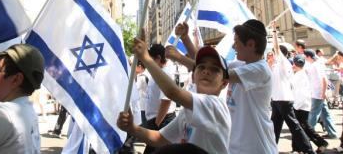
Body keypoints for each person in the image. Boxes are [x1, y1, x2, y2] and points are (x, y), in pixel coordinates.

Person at [117, 41, 231, 153]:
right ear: (193, 75)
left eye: (214, 69)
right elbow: (159, 138)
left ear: (224, 83)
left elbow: (172, 92)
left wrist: (146, 58)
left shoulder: (216, 105)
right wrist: (132, 128)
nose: (206, 71)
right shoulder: (187, 111)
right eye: (201, 67)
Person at [227, 20, 277, 154]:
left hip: (257, 148)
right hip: (237, 147)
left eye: (236, 41)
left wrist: (179, 57)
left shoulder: (260, 69)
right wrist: (186, 39)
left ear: (250, 44)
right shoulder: (240, 65)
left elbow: (215, 74)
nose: (233, 46)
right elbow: (206, 64)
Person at [269, 23, 314, 154]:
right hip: (276, 100)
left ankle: (309, 150)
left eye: (273, 52)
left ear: (280, 54)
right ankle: (271, 149)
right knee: (274, 127)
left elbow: (277, 48)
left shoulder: (283, 62)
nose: (271, 54)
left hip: (284, 100)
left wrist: (274, 32)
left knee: (295, 127)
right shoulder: (276, 65)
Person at [142, 43, 176, 154]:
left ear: (158, 58)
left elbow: (166, 100)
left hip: (162, 120)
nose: (148, 63)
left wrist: (156, 124)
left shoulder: (165, 73)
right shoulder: (157, 71)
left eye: (150, 59)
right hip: (156, 120)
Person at [292, 54, 328, 153]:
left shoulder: (301, 75)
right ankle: (297, 148)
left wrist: (296, 105)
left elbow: (301, 93)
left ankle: (321, 143)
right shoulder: (300, 74)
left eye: (295, 64)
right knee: (299, 127)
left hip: (300, 105)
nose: (294, 66)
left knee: (302, 127)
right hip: (300, 104)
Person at [305, 49, 338, 138]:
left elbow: (324, 79)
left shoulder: (316, 65)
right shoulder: (314, 65)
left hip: (318, 93)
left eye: (305, 57)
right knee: (325, 114)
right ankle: (332, 133)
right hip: (317, 93)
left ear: (308, 57)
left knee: (313, 115)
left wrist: (323, 93)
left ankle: (308, 134)